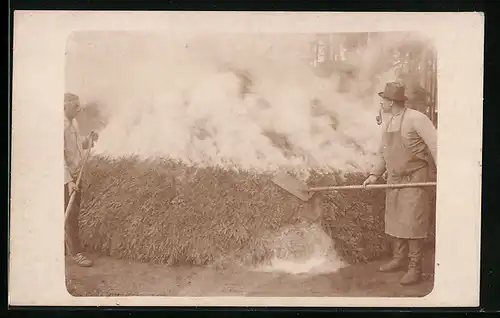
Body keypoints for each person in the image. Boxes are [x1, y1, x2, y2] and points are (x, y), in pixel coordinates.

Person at [363, 82, 437, 285]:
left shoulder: (416, 119)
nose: (381, 102)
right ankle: (398, 258)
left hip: (415, 177)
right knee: (396, 218)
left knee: (413, 222)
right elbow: (383, 153)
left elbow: (436, 146)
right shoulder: (388, 122)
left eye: (383, 99)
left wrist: (446, 174)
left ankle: (415, 268)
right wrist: (374, 175)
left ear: (391, 101)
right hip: (394, 179)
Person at [64, 92, 99, 267]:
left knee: (74, 213)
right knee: (69, 215)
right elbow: (56, 157)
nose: (78, 109)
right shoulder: (59, 126)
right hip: (64, 178)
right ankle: (76, 253)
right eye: (75, 106)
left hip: (76, 174)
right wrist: (68, 181)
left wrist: (89, 140)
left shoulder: (74, 124)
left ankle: (69, 247)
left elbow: (77, 147)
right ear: (65, 106)